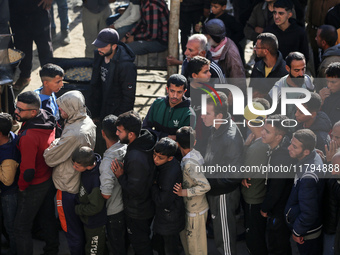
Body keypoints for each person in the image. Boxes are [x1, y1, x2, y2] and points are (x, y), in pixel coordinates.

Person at [44, 90, 96, 255]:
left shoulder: (73, 134)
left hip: (67, 186)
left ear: (71, 108)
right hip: (78, 182)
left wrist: (54, 144)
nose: (60, 111)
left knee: (70, 229)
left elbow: (49, 158)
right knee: (78, 226)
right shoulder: (86, 120)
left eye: (62, 108)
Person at [14, 91, 59, 255]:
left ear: (33, 112)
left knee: (21, 228)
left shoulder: (29, 137)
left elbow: (28, 171)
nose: (16, 112)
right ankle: (52, 249)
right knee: (47, 217)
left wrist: (21, 187)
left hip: (33, 185)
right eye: (16, 107)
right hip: (47, 178)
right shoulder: (47, 117)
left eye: (20, 110)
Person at [201, 92, 243, 255]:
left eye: (207, 113)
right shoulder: (218, 126)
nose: (202, 116)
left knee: (224, 239)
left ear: (219, 115)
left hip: (223, 196)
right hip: (216, 191)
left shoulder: (229, 137)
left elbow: (234, 175)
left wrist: (208, 184)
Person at [111, 111, 157, 255]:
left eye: (119, 131)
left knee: (141, 244)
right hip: (147, 205)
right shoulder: (145, 141)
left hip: (138, 210)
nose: (117, 134)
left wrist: (120, 176)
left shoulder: (136, 157)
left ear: (131, 134)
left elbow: (135, 189)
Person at [89, 28, 136, 155]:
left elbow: (128, 98)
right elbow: (96, 85)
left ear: (114, 46)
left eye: (103, 46)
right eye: (98, 45)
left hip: (115, 114)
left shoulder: (125, 65)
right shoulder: (99, 56)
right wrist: (95, 112)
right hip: (101, 110)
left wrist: (120, 124)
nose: (99, 49)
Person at [260, 114, 296, 255]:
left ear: (278, 137)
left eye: (267, 131)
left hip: (280, 211)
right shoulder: (280, 150)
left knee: (277, 246)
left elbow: (276, 188)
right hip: (280, 208)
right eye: (263, 128)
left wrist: (265, 207)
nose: (262, 132)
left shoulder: (282, 157)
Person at [285, 129, 325, 255]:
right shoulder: (313, 155)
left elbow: (309, 212)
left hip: (307, 233)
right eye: (291, 143)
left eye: (294, 147)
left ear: (306, 151)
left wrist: (297, 231)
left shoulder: (308, 177)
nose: (289, 148)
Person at [173, 126, 211, 255]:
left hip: (196, 211)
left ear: (177, 144)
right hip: (193, 209)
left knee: (196, 248)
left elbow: (205, 186)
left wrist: (183, 192)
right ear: (194, 142)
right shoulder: (196, 154)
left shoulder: (190, 164)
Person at [241, 102, 268, 255]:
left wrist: (245, 147)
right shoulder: (265, 140)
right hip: (261, 193)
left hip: (253, 196)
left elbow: (243, 172)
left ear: (247, 122)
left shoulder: (256, 148)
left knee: (254, 239)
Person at [9, 0, 53, 90]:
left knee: (44, 47)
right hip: (16, 11)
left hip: (39, 8)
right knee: (22, 47)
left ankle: (49, 78)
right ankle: (25, 76)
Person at [99, 114, 127, 255]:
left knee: (116, 246)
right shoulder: (126, 148)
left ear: (103, 133)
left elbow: (106, 193)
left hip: (113, 212)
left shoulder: (107, 163)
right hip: (125, 206)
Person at [152, 137, 185, 255]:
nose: (155, 159)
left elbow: (163, 201)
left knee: (170, 248)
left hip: (169, 217)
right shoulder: (166, 166)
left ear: (170, 158)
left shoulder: (170, 174)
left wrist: (154, 185)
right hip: (168, 216)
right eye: (154, 155)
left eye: (160, 158)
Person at [72, 146, 107, 255]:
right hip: (87, 220)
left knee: (93, 251)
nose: (74, 167)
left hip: (95, 223)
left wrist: (78, 209)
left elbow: (96, 207)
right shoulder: (89, 168)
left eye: (77, 166)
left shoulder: (95, 181)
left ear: (88, 166)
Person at [142, 74, 194, 140]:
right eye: (172, 91)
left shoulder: (189, 114)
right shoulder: (157, 104)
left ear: (184, 92)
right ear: (167, 89)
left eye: (179, 92)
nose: (175, 95)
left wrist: (157, 135)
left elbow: (183, 140)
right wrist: (167, 137)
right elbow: (145, 128)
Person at [204, 18, 247, 94]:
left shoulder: (231, 56)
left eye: (207, 35)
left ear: (214, 37)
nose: (205, 37)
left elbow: (238, 81)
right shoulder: (212, 46)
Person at [268, 52, 314, 120]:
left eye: (303, 69)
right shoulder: (278, 88)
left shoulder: (307, 81)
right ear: (287, 68)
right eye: (297, 70)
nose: (301, 74)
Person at [0, 113, 20, 255]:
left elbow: (7, 180)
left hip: (9, 194)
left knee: (11, 227)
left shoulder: (8, 154)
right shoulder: (11, 137)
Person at [250, 32, 288, 98]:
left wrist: (264, 96)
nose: (254, 49)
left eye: (257, 47)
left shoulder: (285, 71)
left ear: (266, 51)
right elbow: (251, 88)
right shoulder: (257, 66)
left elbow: (287, 98)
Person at [314, 25, 340, 92]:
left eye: (317, 36)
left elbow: (327, 89)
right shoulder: (336, 53)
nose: (315, 38)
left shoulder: (326, 65)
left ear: (323, 42)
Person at [320, 62, 340, 126]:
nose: (329, 85)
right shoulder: (324, 94)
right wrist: (320, 102)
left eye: (333, 82)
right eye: (327, 81)